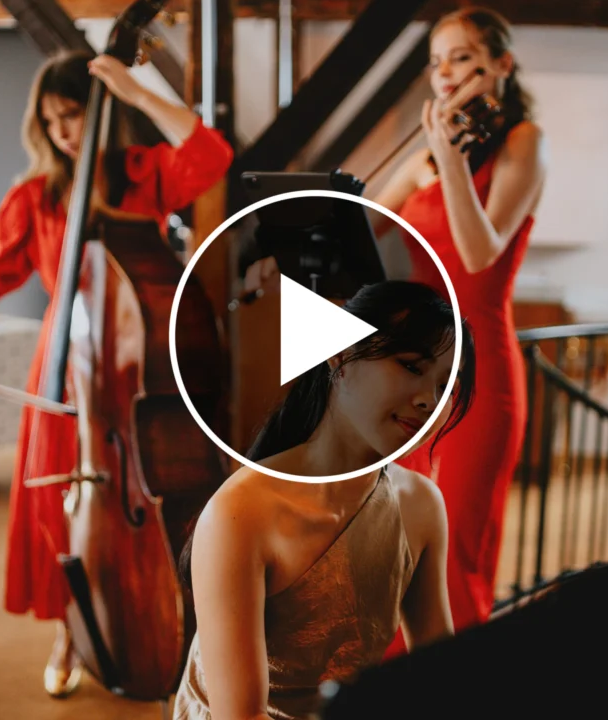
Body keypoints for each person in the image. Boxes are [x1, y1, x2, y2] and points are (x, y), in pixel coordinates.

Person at [0, 50, 234, 697]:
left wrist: (138, 94)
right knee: (65, 508)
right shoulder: (35, 195)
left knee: (129, 502)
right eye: (53, 119)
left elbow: (210, 156)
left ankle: (154, 620)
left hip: (128, 361)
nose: (64, 131)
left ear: (99, 113)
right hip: (66, 364)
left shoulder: (141, 176)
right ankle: (72, 629)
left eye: (75, 115)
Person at [244, 7, 546, 638]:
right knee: (396, 532)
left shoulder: (522, 141)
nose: (445, 73)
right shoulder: (425, 161)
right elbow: (356, 234)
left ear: (502, 65)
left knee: (456, 543)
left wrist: (451, 162)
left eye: (462, 56)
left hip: (478, 366)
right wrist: (287, 251)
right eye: (436, 61)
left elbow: (479, 252)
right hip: (412, 364)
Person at [172, 280, 475, 720]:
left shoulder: (421, 505)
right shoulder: (240, 513)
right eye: (411, 366)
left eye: (447, 386)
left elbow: (438, 681)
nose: (430, 399)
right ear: (339, 355)